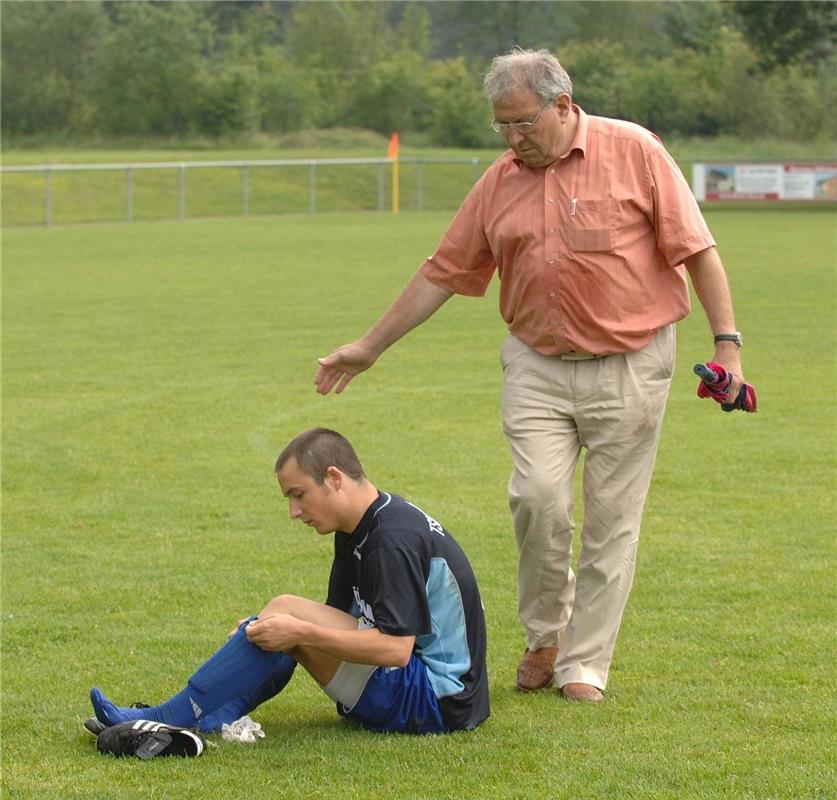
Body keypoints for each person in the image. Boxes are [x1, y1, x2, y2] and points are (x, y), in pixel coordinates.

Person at [314, 49, 748, 703]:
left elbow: (697, 252)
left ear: (562, 105)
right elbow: (443, 270)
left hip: (631, 364)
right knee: (537, 501)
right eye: (501, 126)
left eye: (522, 123)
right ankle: (545, 634)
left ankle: (583, 665)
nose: (513, 138)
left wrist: (727, 347)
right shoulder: (499, 181)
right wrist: (371, 346)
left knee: (611, 522)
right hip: (537, 366)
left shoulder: (634, 151)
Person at [89, 428, 489, 734]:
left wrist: (295, 631)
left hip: (439, 701)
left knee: (289, 621)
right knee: (280, 617)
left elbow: (395, 649)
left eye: (299, 494)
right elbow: (336, 617)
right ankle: (211, 715)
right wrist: (267, 629)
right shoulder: (362, 525)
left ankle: (167, 718)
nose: (295, 512)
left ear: (334, 477)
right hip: (427, 684)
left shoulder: (390, 540)